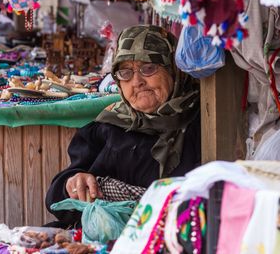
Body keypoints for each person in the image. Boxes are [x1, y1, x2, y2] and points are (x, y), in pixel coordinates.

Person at [45, 25, 201, 227]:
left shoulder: (199, 123)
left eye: (148, 68)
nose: (137, 81)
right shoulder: (110, 125)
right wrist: (72, 185)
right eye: (125, 72)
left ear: (172, 69)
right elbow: (57, 201)